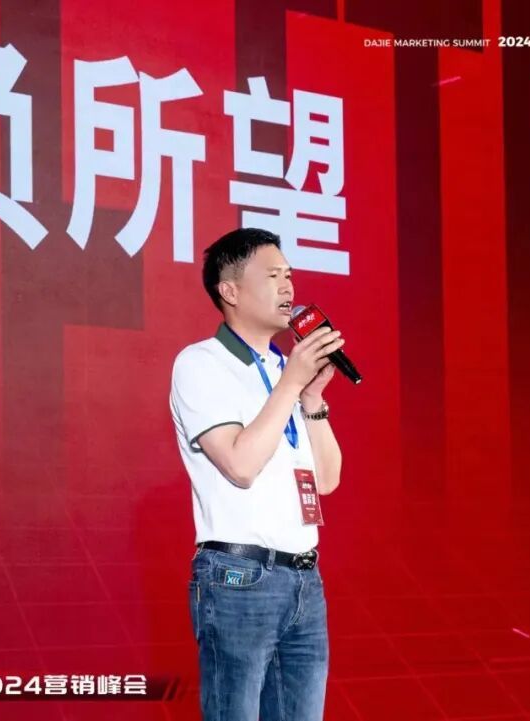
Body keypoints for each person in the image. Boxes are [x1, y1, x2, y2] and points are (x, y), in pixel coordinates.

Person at [169, 227, 344, 721]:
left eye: (289, 275)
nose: (288, 287)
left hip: (305, 580)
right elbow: (241, 466)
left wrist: (312, 398)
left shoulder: (286, 372)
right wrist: (290, 385)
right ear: (230, 290)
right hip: (238, 578)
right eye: (272, 276)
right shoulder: (201, 363)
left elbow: (327, 480)